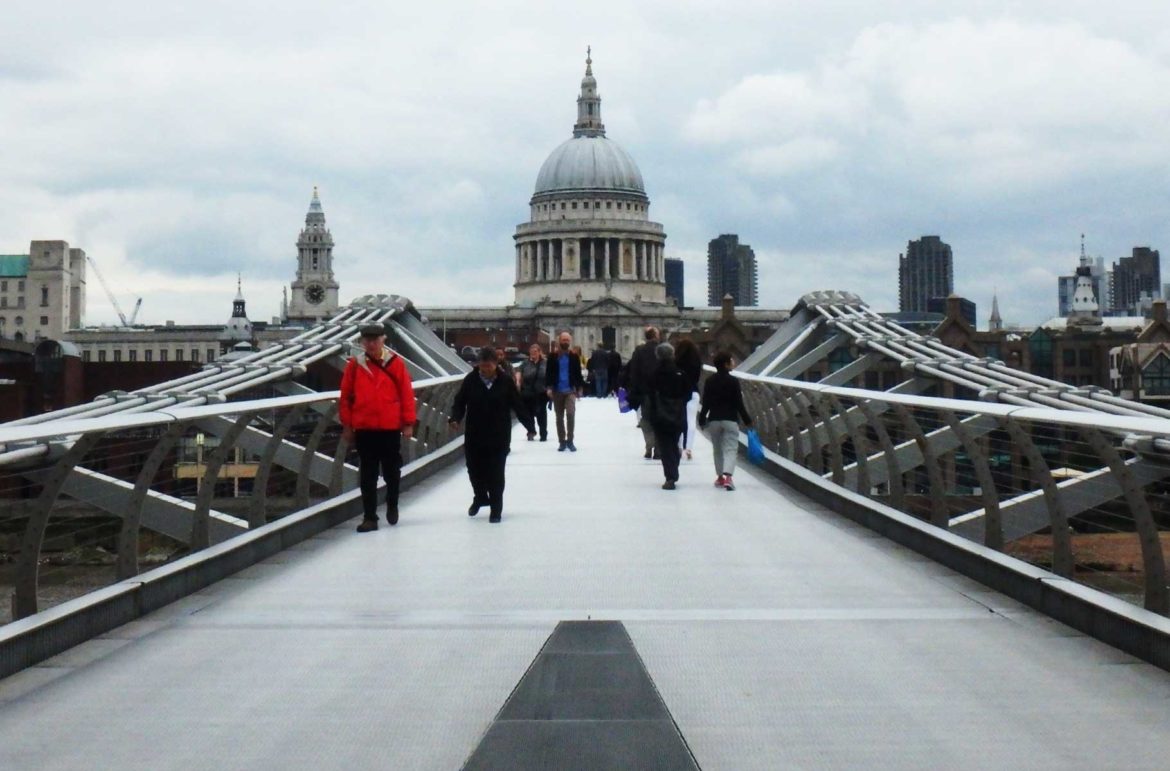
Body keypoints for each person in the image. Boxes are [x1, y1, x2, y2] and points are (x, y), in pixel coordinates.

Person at [339, 323, 416, 532]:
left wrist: (408, 423)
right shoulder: (354, 365)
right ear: (362, 342)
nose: (371, 344)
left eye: (375, 339)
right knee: (368, 474)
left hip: (390, 427)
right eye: (367, 340)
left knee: (392, 471)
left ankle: (392, 505)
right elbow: (345, 397)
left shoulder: (396, 363)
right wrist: (347, 425)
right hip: (364, 427)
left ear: (383, 340)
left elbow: (406, 394)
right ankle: (370, 517)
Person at [449, 347, 535, 523]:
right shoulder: (471, 380)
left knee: (496, 472)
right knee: (474, 469)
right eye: (482, 367)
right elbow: (460, 401)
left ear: (496, 364)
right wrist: (455, 418)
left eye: (488, 366)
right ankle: (480, 496)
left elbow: (517, 404)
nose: (485, 370)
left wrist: (529, 425)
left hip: (499, 434)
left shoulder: (505, 381)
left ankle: (496, 509)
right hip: (475, 433)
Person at [698, 351, 753, 491]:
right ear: (726, 364)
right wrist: (747, 420)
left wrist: (702, 418)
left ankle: (720, 477)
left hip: (714, 419)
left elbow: (706, 402)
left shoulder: (710, 381)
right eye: (731, 361)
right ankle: (728, 477)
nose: (733, 363)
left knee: (717, 449)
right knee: (730, 448)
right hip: (730, 419)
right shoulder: (733, 381)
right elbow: (739, 403)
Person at [644, 342, 690, 489]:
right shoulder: (680, 373)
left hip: (660, 414)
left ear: (658, 356)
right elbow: (688, 393)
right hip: (678, 414)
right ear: (672, 355)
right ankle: (673, 470)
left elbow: (649, 393)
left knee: (665, 446)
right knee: (674, 442)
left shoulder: (654, 374)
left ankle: (670, 476)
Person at [545, 331, 584, 451]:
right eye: (564, 340)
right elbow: (549, 374)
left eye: (567, 340)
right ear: (559, 341)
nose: (566, 342)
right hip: (557, 390)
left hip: (570, 390)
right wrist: (549, 388)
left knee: (571, 414)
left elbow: (578, 374)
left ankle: (570, 440)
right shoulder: (552, 357)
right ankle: (562, 441)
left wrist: (580, 388)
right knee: (559, 417)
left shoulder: (574, 356)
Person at [626, 326, 661, 459]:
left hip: (644, 391)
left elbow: (633, 372)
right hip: (659, 391)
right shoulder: (662, 349)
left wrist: (634, 390)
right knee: (659, 420)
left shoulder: (639, 351)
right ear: (655, 336)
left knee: (645, 420)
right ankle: (658, 448)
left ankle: (649, 445)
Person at [673, 338, 703, 461]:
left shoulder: (676, 362)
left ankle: (680, 446)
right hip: (693, 392)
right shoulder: (696, 363)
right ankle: (688, 448)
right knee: (691, 421)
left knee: (679, 420)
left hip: (678, 394)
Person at [516, 343, 549, 442]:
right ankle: (531, 431)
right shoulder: (525, 363)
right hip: (527, 392)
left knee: (541, 413)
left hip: (541, 392)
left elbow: (551, 374)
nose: (533, 354)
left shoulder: (545, 363)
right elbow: (519, 371)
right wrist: (518, 381)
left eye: (535, 352)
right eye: (531, 352)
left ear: (539, 352)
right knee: (528, 414)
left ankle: (543, 433)